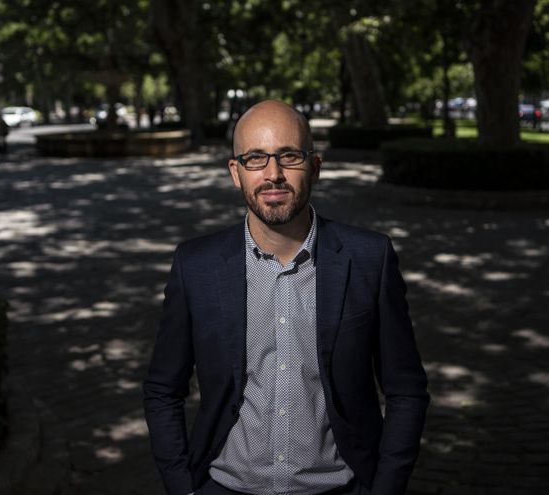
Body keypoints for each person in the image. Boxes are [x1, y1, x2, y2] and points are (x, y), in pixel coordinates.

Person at [144, 100, 429, 495]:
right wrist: (182, 487)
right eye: (256, 158)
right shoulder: (196, 266)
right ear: (236, 172)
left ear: (314, 166)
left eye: (289, 156)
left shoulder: (370, 258)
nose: (273, 174)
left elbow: (406, 389)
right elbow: (162, 389)